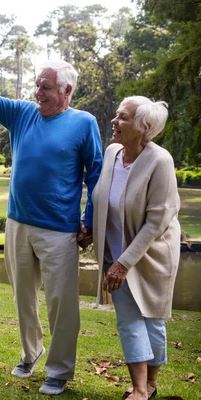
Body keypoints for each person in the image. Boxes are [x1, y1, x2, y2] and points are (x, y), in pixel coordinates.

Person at [0, 44, 103, 395]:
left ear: (66, 91)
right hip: (18, 223)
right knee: (23, 296)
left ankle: (59, 370)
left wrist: (90, 221)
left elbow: (96, 176)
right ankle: (31, 351)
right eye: (37, 85)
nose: (38, 92)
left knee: (60, 303)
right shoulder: (23, 113)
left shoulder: (84, 123)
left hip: (59, 229)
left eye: (46, 87)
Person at [92, 97, 179, 400]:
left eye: (123, 118)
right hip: (116, 252)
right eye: (116, 115)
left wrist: (125, 263)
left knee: (153, 319)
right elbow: (99, 196)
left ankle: (151, 384)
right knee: (129, 320)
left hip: (152, 254)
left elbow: (158, 219)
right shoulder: (113, 152)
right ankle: (140, 390)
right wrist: (89, 228)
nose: (114, 122)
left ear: (145, 128)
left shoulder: (160, 161)